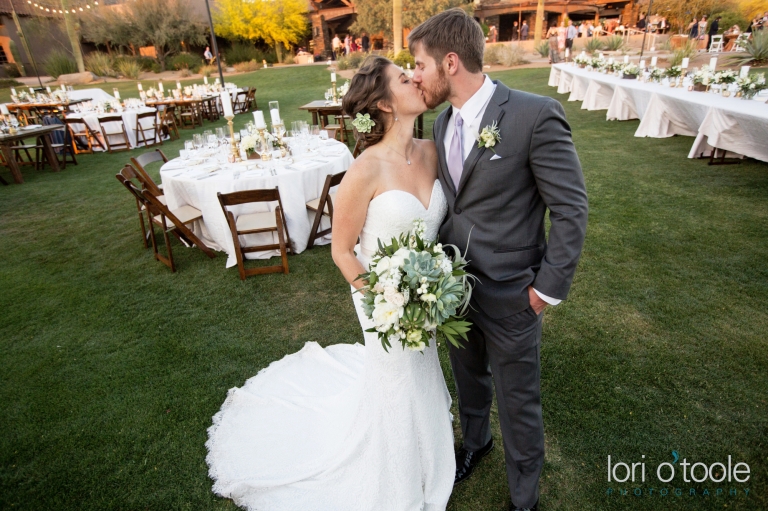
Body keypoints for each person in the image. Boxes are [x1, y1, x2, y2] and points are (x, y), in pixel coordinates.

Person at [206, 55, 455, 510]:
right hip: (380, 300)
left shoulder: (433, 152)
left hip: (428, 292)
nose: (417, 79)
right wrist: (389, 303)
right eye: (404, 78)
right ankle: (395, 474)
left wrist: (433, 287)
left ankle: (429, 456)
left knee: (422, 371)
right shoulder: (364, 169)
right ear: (384, 103)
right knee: (397, 377)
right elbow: (342, 251)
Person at [410, 8, 587, 511]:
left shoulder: (534, 114)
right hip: (455, 290)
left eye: (419, 65)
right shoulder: (442, 123)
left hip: (513, 293)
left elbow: (570, 208)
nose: (414, 76)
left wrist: (544, 290)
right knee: (469, 378)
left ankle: (524, 497)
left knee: (518, 400)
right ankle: (477, 441)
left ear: (449, 63)